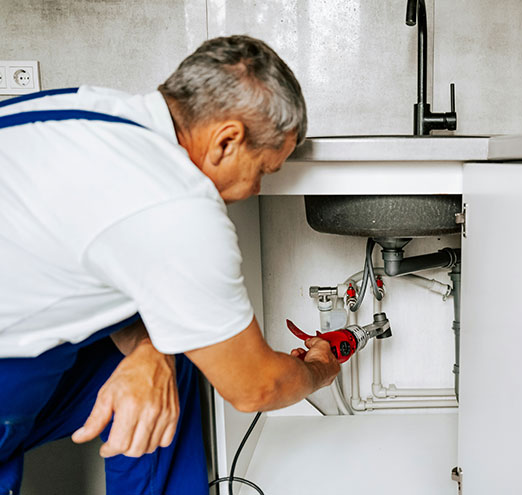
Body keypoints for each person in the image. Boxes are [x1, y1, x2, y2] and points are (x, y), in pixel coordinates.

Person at [0, 35, 340, 495]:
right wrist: (320, 368)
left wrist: (152, 352)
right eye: (263, 170)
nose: (257, 189)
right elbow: (254, 389)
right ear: (227, 141)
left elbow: (98, 275)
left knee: (172, 365)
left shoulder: (91, 111)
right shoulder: (178, 203)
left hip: (22, 349)